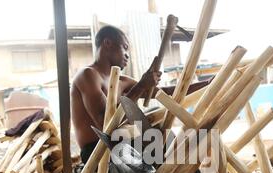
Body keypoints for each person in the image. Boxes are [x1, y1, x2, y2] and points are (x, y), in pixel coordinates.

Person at [71, 25, 209, 164]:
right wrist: (142, 85)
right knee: (152, 142)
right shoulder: (88, 75)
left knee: (163, 133)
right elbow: (104, 124)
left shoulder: (122, 81)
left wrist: (208, 83)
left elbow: (165, 93)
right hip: (97, 150)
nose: (127, 55)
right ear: (107, 43)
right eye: (124, 47)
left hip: (124, 144)